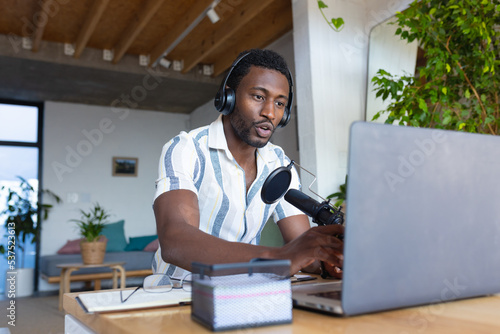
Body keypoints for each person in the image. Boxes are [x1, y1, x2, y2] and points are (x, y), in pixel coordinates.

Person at [152, 49, 343, 279]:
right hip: (178, 296)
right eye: (259, 97)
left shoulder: (279, 163)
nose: (270, 113)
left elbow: (301, 249)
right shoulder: (186, 148)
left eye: (280, 103)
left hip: (244, 296)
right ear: (228, 98)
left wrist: (326, 262)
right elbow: (176, 241)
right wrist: (279, 258)